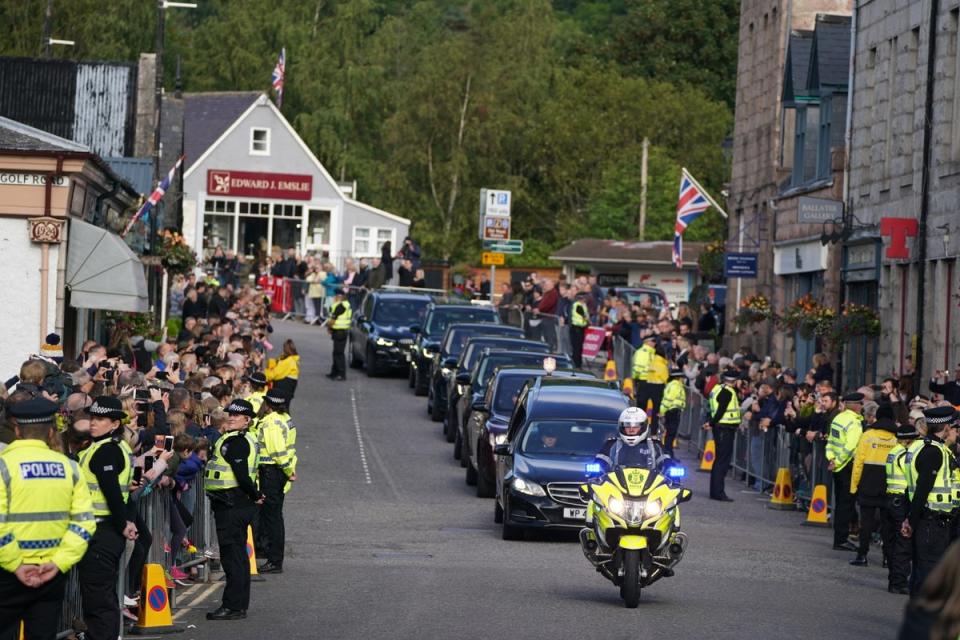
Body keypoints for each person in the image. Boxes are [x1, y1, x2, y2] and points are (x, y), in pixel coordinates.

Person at [0, 398, 96, 640]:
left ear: (18, 430)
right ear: (51, 431)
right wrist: (60, 561)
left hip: (7, 572)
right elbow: (84, 523)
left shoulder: (4, 467)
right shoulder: (70, 467)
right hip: (50, 573)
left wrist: (16, 565)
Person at [77, 396, 137, 640]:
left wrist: (123, 524)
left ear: (114, 424)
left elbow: (112, 490)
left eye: (100, 419)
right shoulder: (110, 446)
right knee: (99, 595)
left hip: (102, 530)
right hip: (101, 527)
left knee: (99, 598)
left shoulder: (107, 451)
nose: (93, 423)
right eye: (92, 418)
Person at [204, 399, 264, 620]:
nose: (230, 417)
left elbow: (241, 474)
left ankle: (233, 606)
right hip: (234, 503)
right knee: (237, 557)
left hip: (232, 504)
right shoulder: (238, 438)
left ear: (247, 420)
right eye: (229, 414)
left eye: (236, 415)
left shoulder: (238, 442)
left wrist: (256, 495)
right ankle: (237, 605)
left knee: (233, 558)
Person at [902, 406, 959, 596]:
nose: (955, 432)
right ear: (946, 428)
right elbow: (922, 489)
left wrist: (909, 517)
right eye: (954, 427)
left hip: (926, 519)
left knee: (922, 572)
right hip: (932, 521)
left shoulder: (920, 446)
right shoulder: (934, 452)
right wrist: (911, 519)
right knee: (929, 574)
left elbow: (910, 487)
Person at [849, 402, 898, 567]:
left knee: (866, 522)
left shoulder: (868, 435)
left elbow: (858, 463)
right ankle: (887, 558)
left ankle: (862, 555)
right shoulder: (897, 438)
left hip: (868, 483)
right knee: (887, 524)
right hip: (889, 485)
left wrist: (854, 486)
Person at [255, 387, 297, 574]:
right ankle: (274, 558)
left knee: (272, 518)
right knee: (275, 516)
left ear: (269, 404)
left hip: (272, 471)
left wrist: (288, 470)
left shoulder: (270, 422)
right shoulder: (286, 419)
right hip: (279, 472)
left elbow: (277, 451)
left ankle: (274, 560)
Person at [826, 392, 864, 551]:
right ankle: (841, 539)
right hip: (847, 466)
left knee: (841, 502)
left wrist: (832, 459)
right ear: (855, 405)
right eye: (860, 404)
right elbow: (850, 446)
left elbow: (831, 441)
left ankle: (840, 537)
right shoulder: (854, 423)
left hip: (837, 465)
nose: (862, 407)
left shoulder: (838, 418)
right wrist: (839, 461)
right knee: (846, 504)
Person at [885, 422, 919, 594]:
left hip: (891, 498)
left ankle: (894, 579)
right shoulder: (905, 455)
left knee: (892, 541)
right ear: (908, 440)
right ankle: (899, 582)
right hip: (901, 499)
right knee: (903, 541)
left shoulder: (893, 451)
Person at [704, 369, 742, 502]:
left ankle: (715, 491)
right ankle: (718, 492)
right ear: (734, 381)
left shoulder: (718, 388)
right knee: (722, 461)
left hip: (721, 428)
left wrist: (711, 422)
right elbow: (721, 410)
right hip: (724, 429)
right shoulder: (727, 392)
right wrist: (712, 423)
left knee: (719, 460)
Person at [596, 407, 668, 471]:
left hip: (651, 485)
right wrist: (600, 465)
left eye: (636, 426)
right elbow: (602, 460)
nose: (631, 430)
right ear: (621, 427)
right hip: (616, 485)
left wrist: (669, 465)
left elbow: (665, 460)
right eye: (627, 426)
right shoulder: (611, 444)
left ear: (644, 427)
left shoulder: (655, 445)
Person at [660, 369, 686, 458]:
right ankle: (668, 453)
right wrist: (662, 411)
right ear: (678, 377)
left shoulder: (673, 385)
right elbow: (668, 400)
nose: (683, 379)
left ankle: (668, 452)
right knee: (671, 433)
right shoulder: (675, 385)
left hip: (672, 411)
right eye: (682, 377)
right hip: (672, 412)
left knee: (670, 433)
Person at [327, 289, 351, 381]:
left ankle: (341, 374)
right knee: (336, 352)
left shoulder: (340, 306)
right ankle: (334, 372)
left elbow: (333, 320)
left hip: (339, 332)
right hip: (342, 331)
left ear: (339, 296)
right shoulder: (346, 304)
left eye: (335, 296)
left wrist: (329, 327)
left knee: (338, 353)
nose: (334, 298)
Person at [631, 335, 656, 413]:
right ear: (647, 342)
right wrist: (634, 381)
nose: (655, 343)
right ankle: (640, 422)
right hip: (643, 381)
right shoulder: (642, 352)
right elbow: (637, 368)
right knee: (642, 405)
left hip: (651, 382)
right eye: (653, 341)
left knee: (646, 405)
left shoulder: (652, 352)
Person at [570, 291, 589, 368]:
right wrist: (586, 318)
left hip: (581, 328)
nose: (586, 299)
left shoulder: (583, 305)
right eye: (585, 298)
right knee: (577, 348)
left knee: (579, 348)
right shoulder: (577, 305)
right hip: (577, 329)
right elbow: (582, 314)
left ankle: (577, 363)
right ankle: (576, 364)